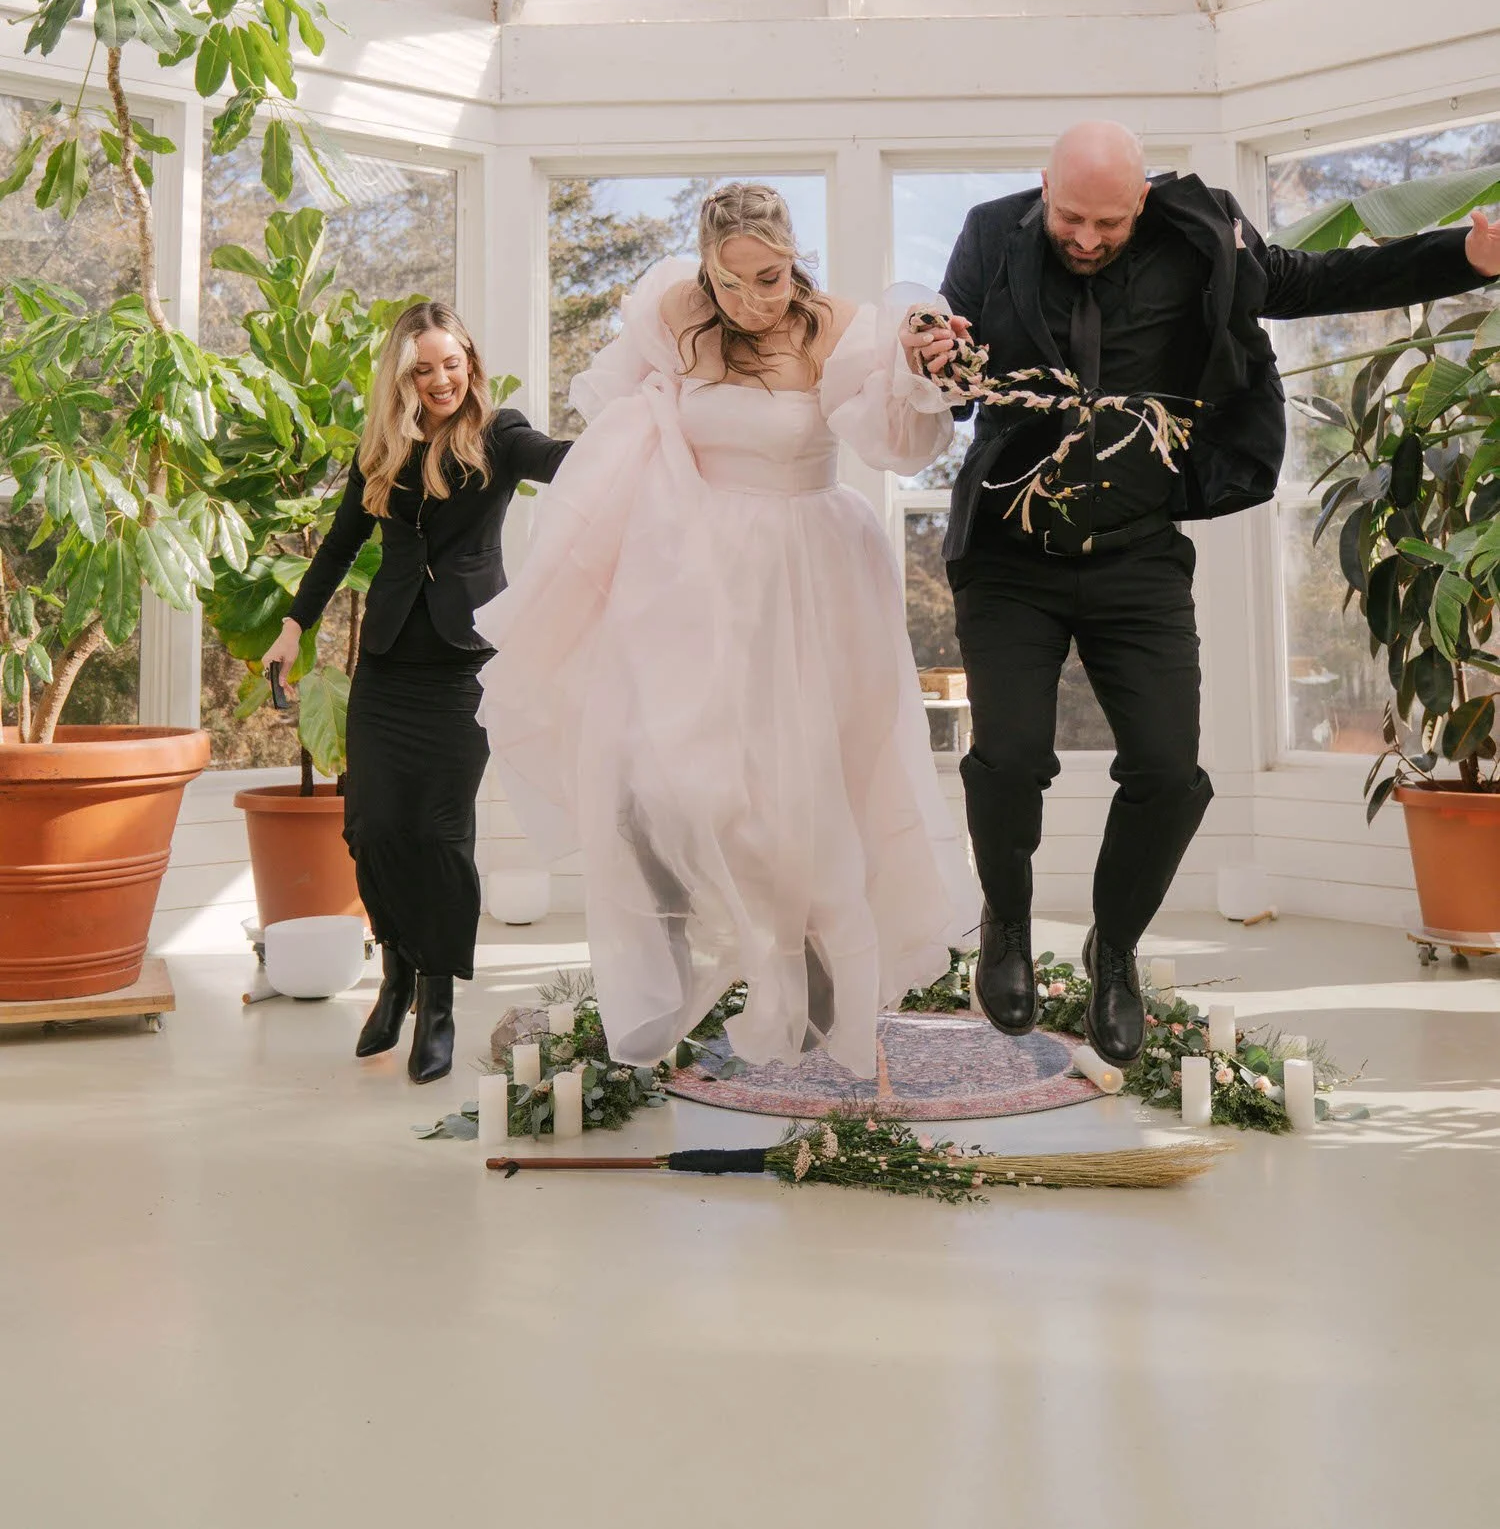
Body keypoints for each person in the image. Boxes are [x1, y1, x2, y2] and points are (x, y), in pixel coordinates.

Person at [923, 121, 1500, 1066]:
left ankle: (1116, 951)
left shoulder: (1204, 231)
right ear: (1042, 189)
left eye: (1109, 220)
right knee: (1012, 754)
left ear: (1141, 198)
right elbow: (946, 371)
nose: (1086, 237)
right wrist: (933, 354)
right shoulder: (992, 234)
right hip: (1009, 552)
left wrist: (1468, 255)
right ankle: (1010, 927)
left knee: (1167, 768)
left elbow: (1319, 283)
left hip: (1136, 553)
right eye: (1070, 216)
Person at [473, 182, 977, 1079]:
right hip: (692, 574)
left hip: (809, 579)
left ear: (796, 256)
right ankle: (677, 957)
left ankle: (822, 1004)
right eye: (731, 283)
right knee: (648, 773)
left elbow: (897, 445)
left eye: (771, 278)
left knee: (805, 797)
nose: (752, 301)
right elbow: (630, 428)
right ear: (706, 267)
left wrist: (916, 370)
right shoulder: (673, 311)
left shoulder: (840, 329)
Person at [260, 303, 570, 1084]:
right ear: (402, 376)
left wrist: (639, 437)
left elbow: (560, 459)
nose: (439, 379)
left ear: (470, 358)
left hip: (464, 666)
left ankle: (437, 1002)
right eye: (422, 368)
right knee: (370, 826)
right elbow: (339, 544)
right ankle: (395, 973)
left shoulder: (499, 434)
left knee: (438, 833)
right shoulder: (385, 448)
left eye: (450, 363)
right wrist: (295, 626)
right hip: (389, 663)